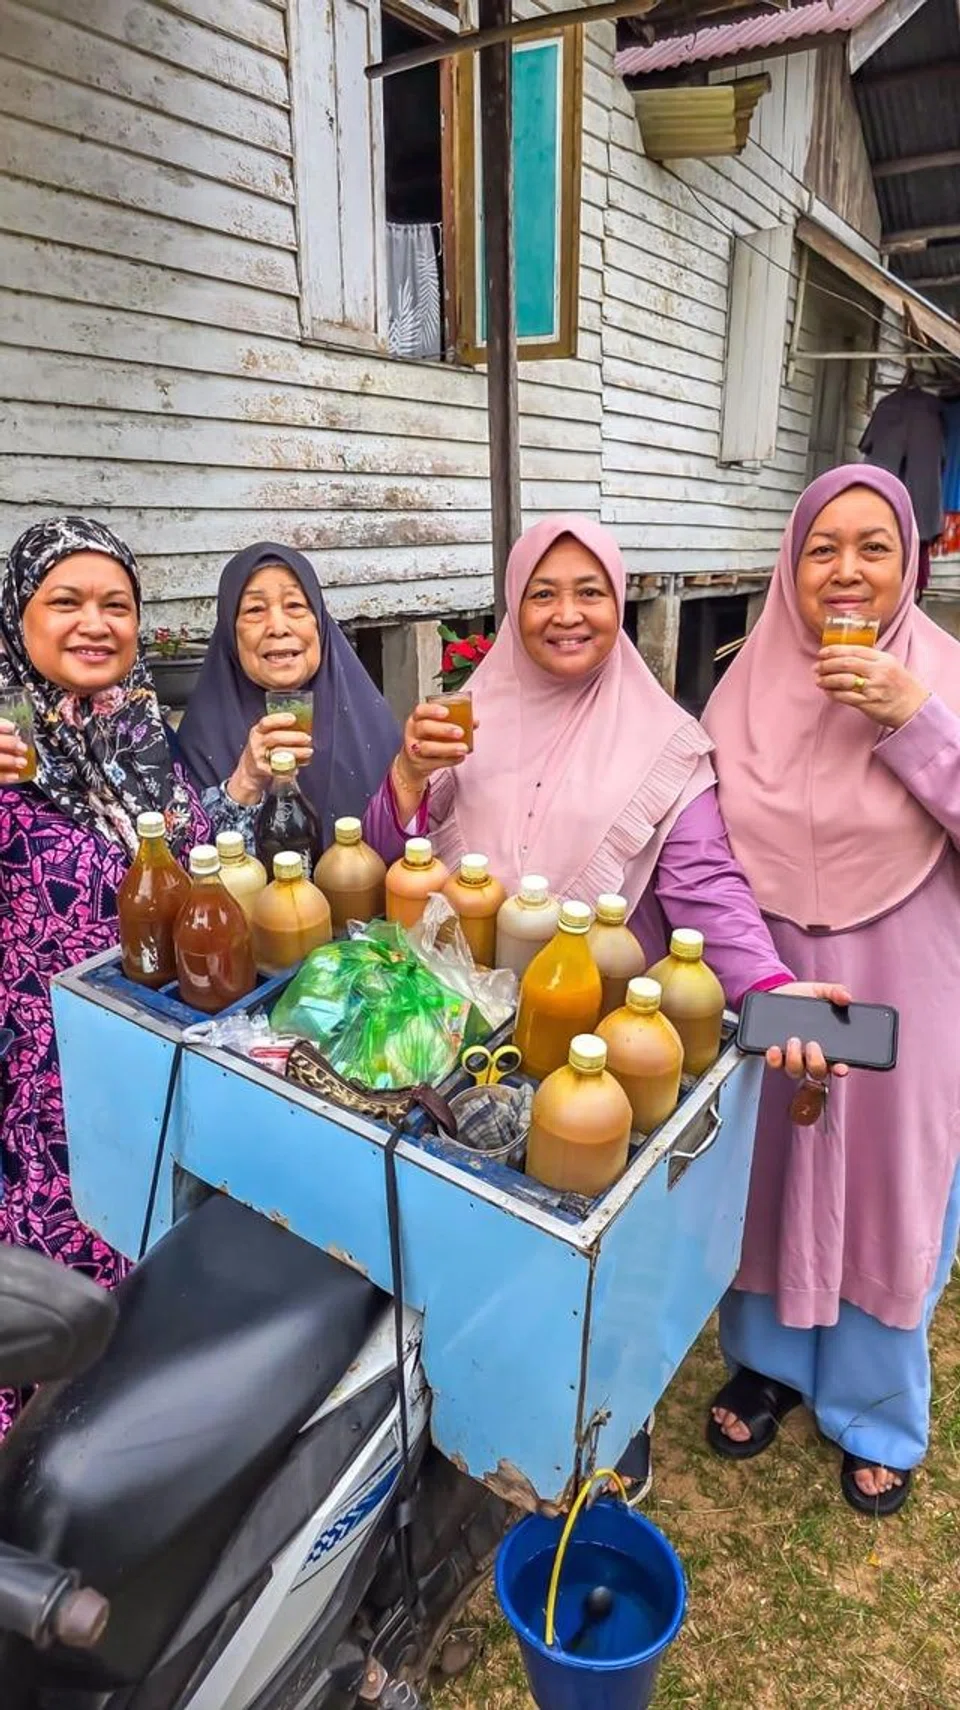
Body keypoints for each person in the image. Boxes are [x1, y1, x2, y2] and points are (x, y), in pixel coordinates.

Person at [363, 513, 845, 1501]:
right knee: (454, 1212)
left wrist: (767, 987)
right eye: (543, 592)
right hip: (449, 1008)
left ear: (620, 603)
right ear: (513, 605)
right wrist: (408, 773)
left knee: (587, 1224)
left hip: (585, 1024)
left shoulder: (660, 741)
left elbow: (705, 884)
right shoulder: (465, 712)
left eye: (590, 591)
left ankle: (604, 1415)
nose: (566, 612)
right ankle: (454, 1392)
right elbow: (385, 853)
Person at [702, 465, 960, 1516]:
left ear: (910, 566)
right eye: (822, 548)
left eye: (873, 547)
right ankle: (768, 1366)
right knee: (765, 1168)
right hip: (771, 973)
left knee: (890, 1184)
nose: (846, 570)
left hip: (907, 980)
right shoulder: (741, 685)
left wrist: (914, 719)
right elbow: (701, 849)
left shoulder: (946, 676)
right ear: (790, 566)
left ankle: (875, 1406)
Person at [0, 517, 225, 1437]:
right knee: (65, 1322)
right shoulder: (6, 748)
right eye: (66, 601)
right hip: (50, 1089)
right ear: (18, 618)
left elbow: (192, 859)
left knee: (157, 1284)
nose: (96, 623)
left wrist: (246, 793)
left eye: (116, 605)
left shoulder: (141, 739)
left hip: (162, 1059)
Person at [177, 544, 400, 847]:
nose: (278, 628)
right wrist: (245, 782)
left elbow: (409, 840)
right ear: (230, 632)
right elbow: (189, 859)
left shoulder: (370, 721)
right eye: (255, 610)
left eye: (294, 605)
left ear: (319, 621)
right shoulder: (201, 739)